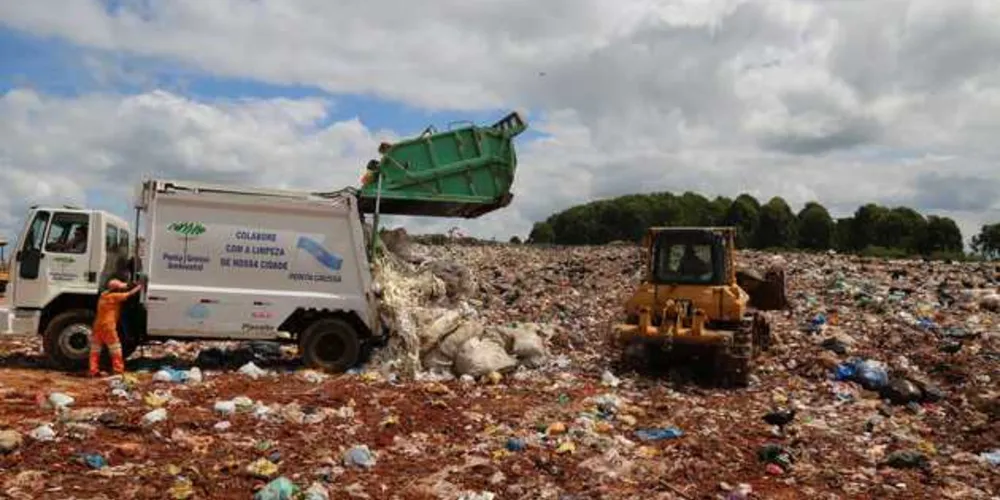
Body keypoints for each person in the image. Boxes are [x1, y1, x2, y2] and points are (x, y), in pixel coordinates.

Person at [89, 276, 144, 377]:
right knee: (115, 349)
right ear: (116, 289)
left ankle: (93, 370)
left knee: (95, 349)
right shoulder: (114, 297)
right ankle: (118, 370)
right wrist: (140, 286)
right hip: (108, 326)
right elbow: (129, 294)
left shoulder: (103, 295)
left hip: (97, 325)